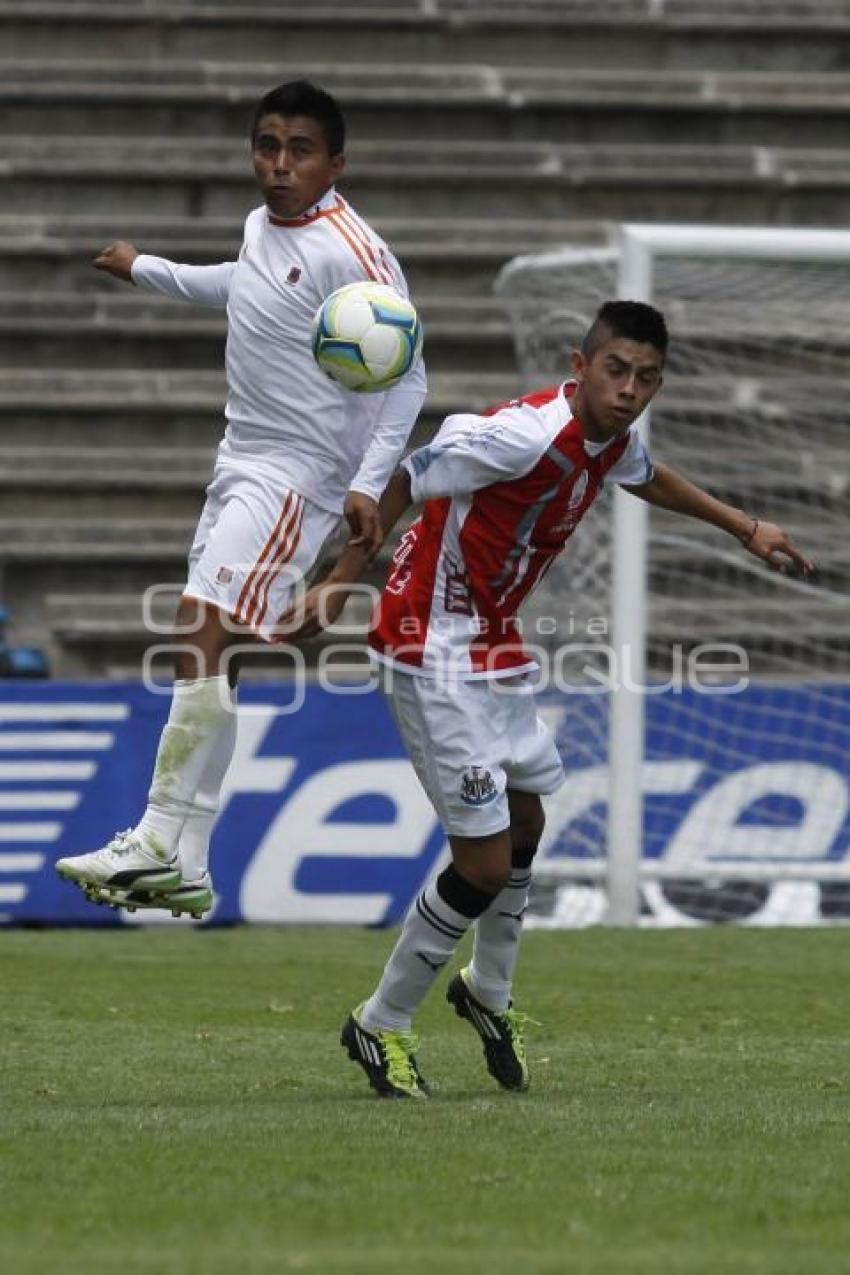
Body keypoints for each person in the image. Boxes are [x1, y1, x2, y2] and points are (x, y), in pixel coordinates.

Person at [288, 299, 814, 1098]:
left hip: (492, 641)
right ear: (580, 364)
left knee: (528, 816)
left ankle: (487, 994)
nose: (630, 389)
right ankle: (379, 1021)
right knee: (485, 859)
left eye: (647, 378)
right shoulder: (519, 435)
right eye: (616, 370)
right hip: (428, 645)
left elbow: (645, 473)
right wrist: (337, 582)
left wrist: (744, 526)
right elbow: (406, 474)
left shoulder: (608, 440)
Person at [55, 80, 427, 918]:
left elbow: (411, 378)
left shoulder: (354, 252)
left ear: (337, 161)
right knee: (206, 641)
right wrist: (142, 268)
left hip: (297, 475)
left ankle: (158, 833)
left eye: (299, 150)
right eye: (267, 145)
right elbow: (244, 285)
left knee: (200, 625)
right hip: (241, 462)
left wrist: (368, 484)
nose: (279, 165)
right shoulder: (265, 226)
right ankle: (186, 858)